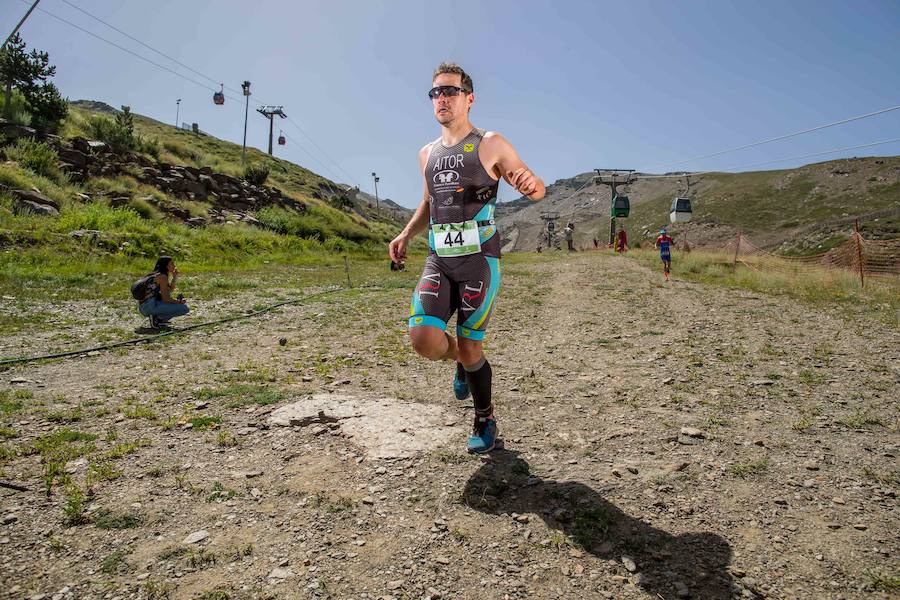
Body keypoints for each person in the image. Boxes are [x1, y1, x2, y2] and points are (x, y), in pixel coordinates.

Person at [388, 61, 545, 454]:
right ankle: (458, 357)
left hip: (479, 260)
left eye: (450, 91)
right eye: (436, 92)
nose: (442, 98)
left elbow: (532, 183)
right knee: (423, 338)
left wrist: (532, 186)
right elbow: (428, 202)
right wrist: (406, 234)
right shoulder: (426, 154)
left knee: (473, 346)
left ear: (468, 98)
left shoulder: (490, 143)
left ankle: (485, 417)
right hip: (439, 259)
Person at [137, 256, 189, 329]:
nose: (174, 266)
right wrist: (178, 302)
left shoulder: (156, 274)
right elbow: (166, 299)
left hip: (144, 306)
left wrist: (174, 277)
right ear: (166, 266)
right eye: (172, 264)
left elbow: (169, 290)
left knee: (176, 304)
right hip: (149, 307)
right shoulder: (162, 277)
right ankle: (157, 318)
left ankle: (157, 319)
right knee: (184, 308)